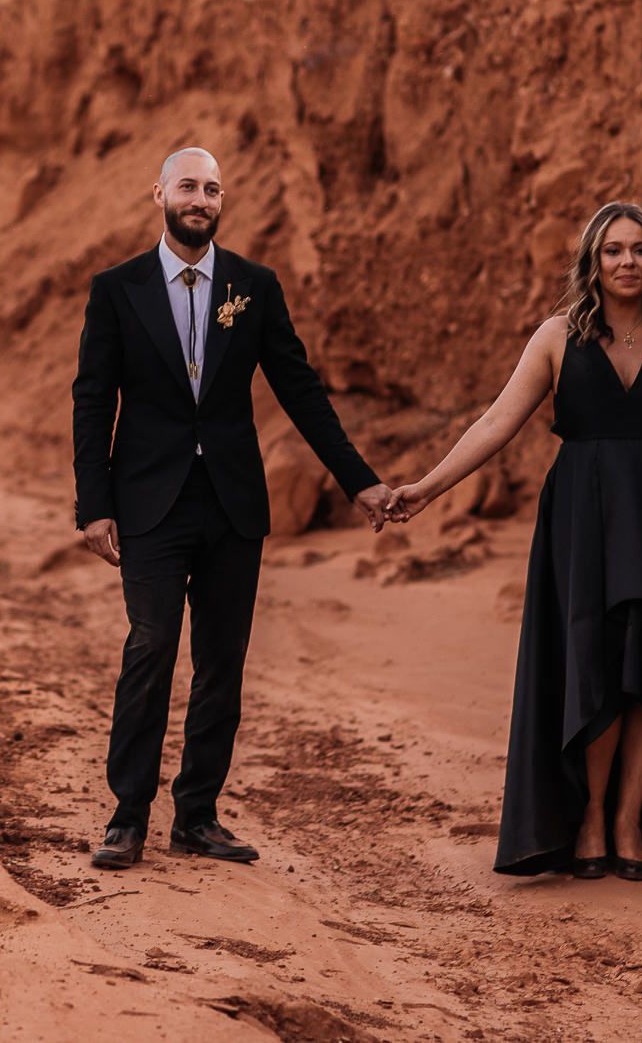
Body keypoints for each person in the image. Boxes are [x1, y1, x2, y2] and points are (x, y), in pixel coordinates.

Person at [391, 202, 642, 878]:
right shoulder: (555, 337)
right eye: (613, 250)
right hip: (584, 522)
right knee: (597, 668)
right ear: (593, 263)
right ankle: (592, 813)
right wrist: (427, 488)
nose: (628, 261)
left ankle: (631, 819)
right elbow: (495, 423)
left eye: (639, 249)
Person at [72, 147, 399, 871]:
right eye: (188, 185)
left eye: (213, 189)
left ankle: (197, 815)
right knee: (151, 646)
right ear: (158, 192)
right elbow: (93, 397)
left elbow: (300, 389)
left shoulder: (253, 285)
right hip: (148, 503)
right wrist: (93, 503)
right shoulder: (117, 289)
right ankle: (127, 817)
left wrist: (359, 481)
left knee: (222, 661)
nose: (201, 198)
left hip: (231, 503)